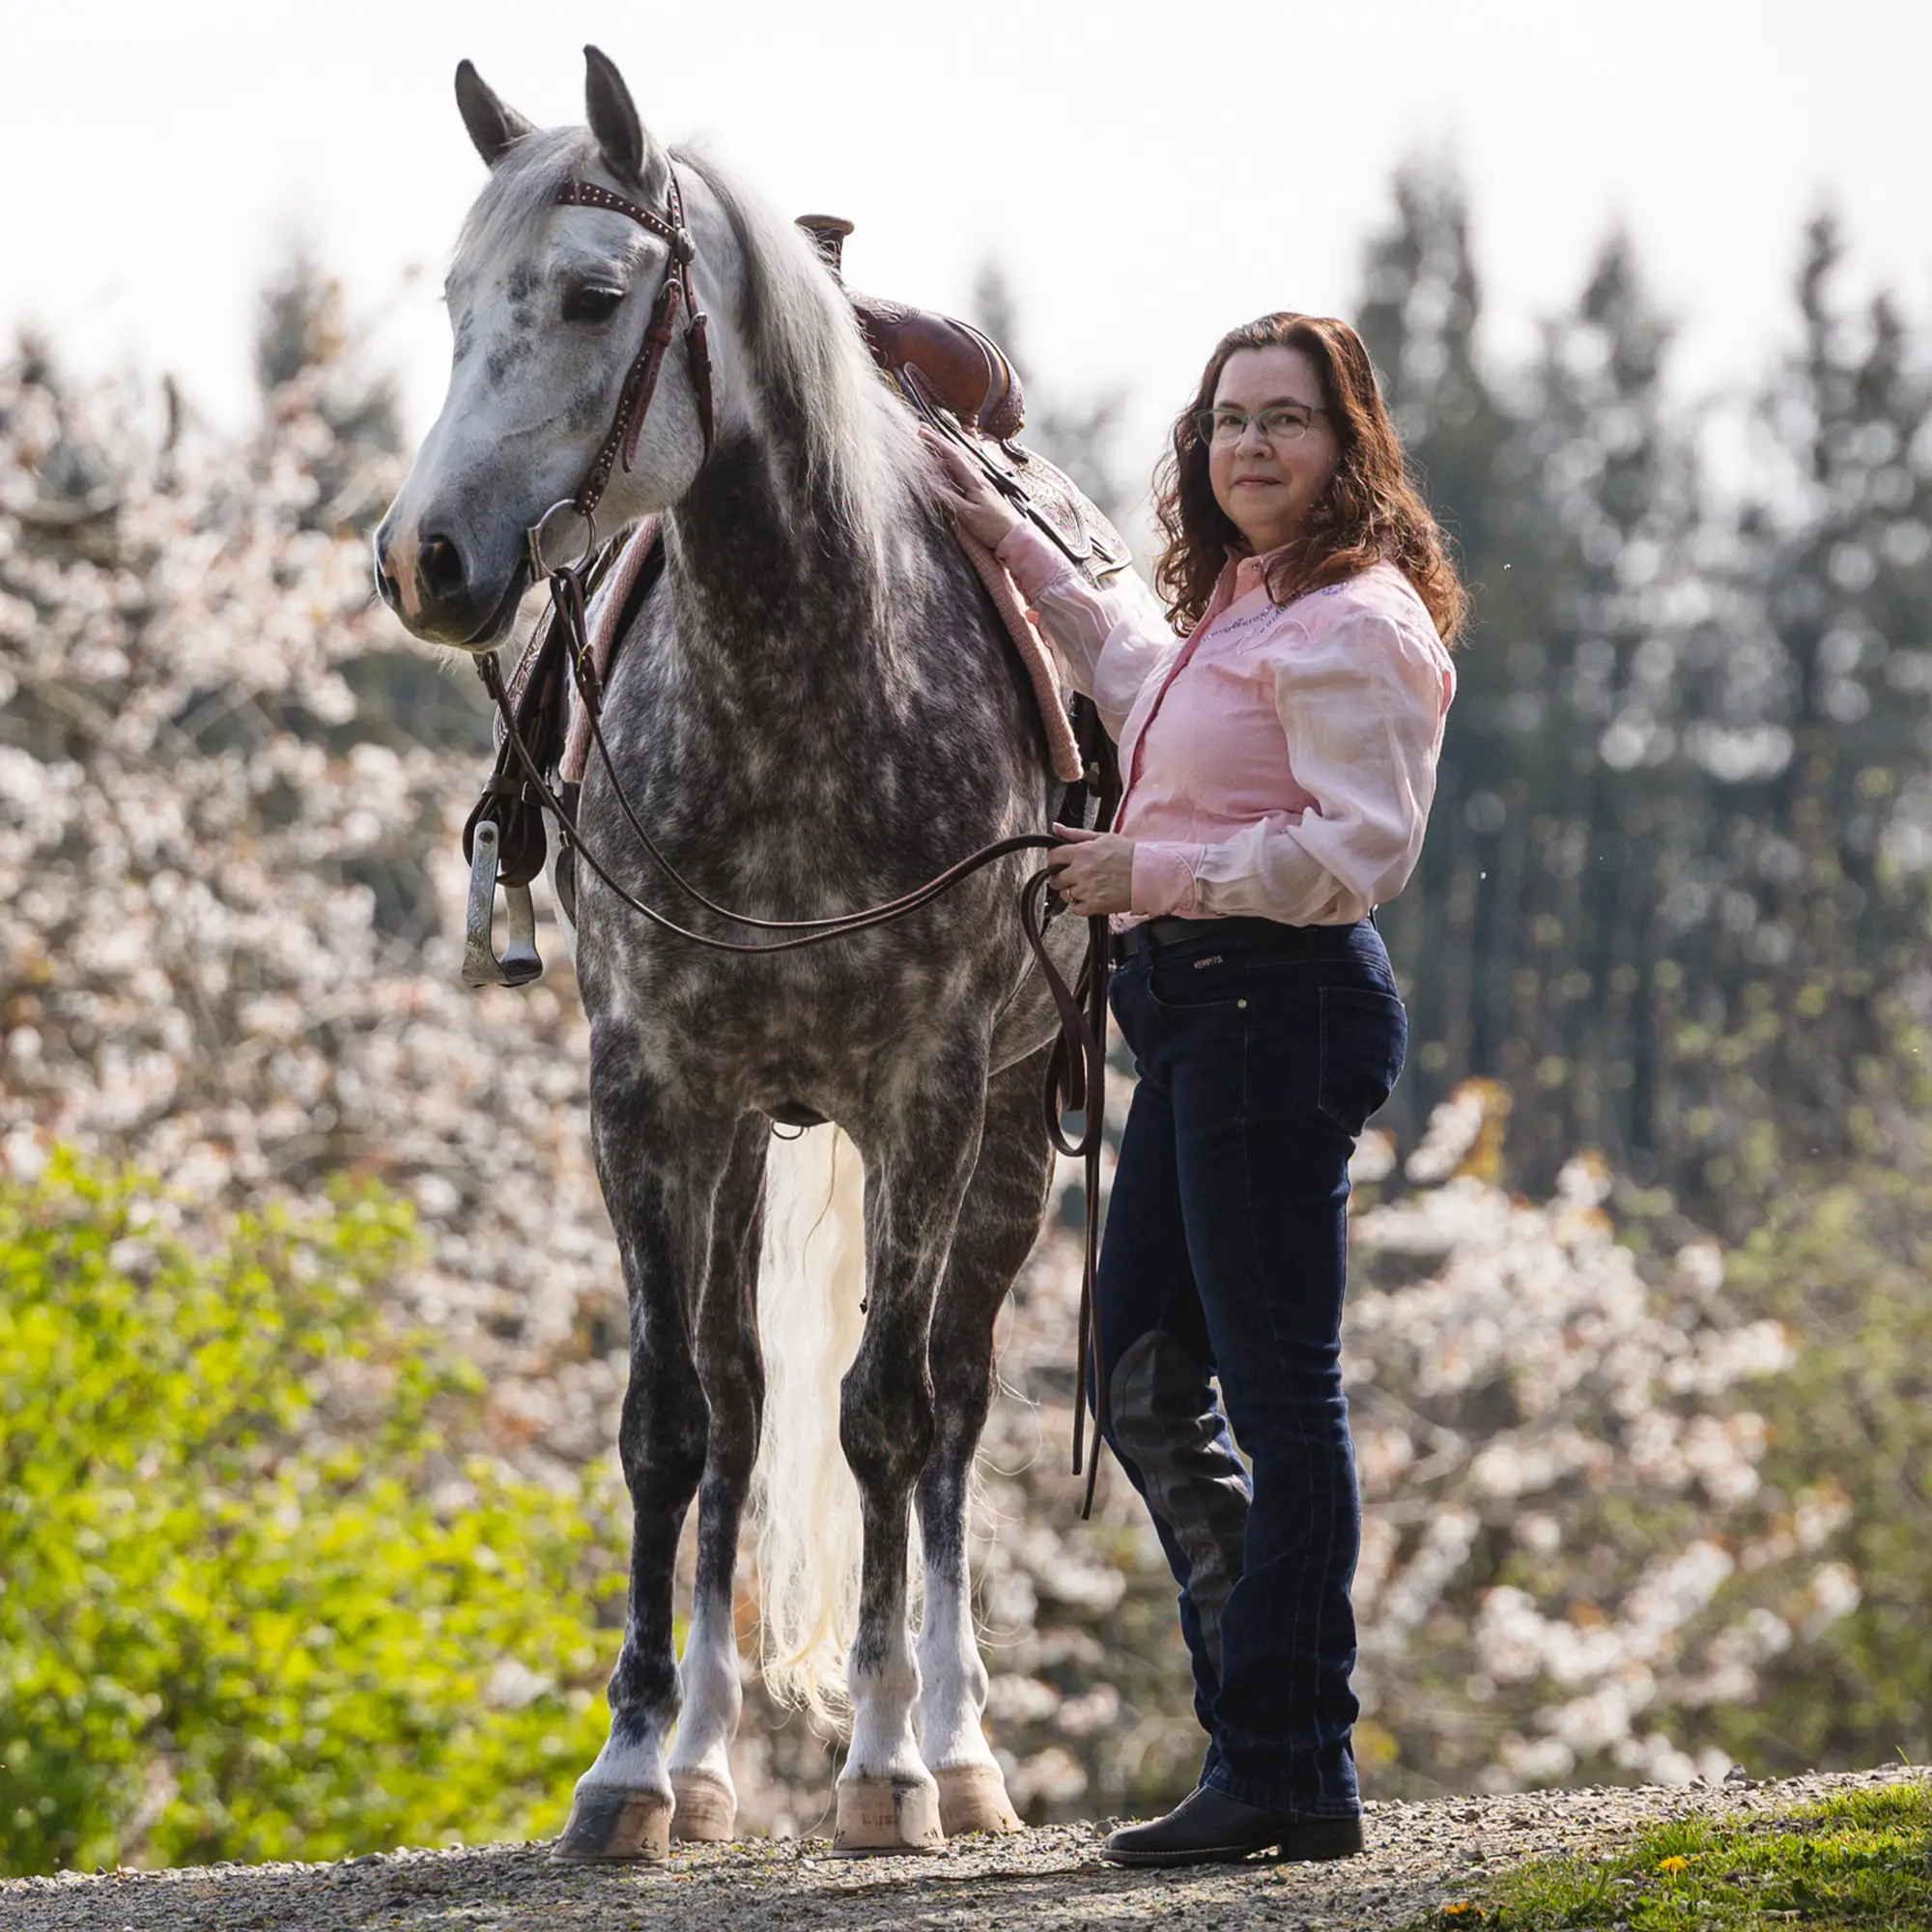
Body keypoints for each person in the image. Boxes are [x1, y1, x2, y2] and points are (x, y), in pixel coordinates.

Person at [926, 312, 1463, 1867]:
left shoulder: (1359, 623)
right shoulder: (1243, 607)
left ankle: (1291, 1760)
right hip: (1199, 1023)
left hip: (1275, 1014)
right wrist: (1002, 541)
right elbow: (1132, 663)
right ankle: (1270, 1737)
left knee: (1282, 1398)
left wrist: (1144, 868)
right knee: (1150, 1380)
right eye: (1229, 420)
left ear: (1346, 445)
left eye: (1285, 421)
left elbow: (1359, 854)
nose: (1249, 446)